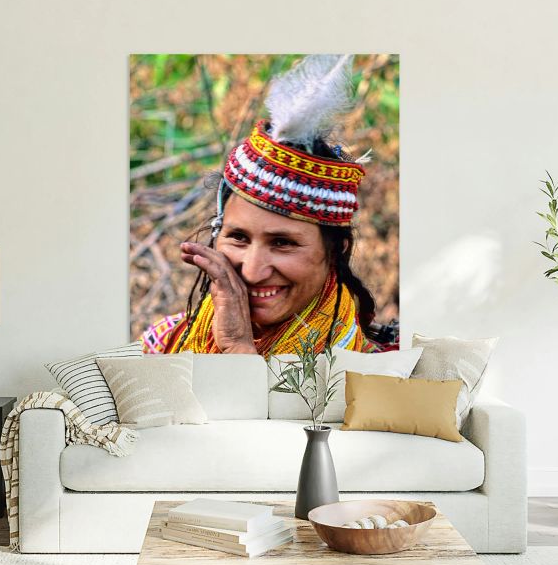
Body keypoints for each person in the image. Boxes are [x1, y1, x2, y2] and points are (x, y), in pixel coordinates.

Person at [140, 55, 392, 356]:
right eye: (238, 237)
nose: (252, 272)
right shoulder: (165, 344)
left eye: (282, 243)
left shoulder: (375, 367)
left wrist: (237, 346)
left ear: (335, 251)